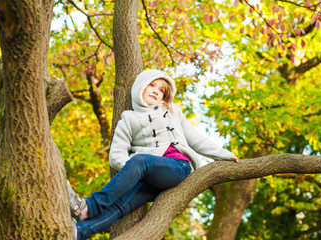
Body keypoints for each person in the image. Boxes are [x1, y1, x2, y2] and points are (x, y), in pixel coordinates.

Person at [68, 69, 238, 239]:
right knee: (122, 205)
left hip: (178, 168)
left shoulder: (173, 111)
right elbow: (116, 156)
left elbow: (195, 139)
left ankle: (89, 206)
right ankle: (81, 231)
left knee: (140, 161)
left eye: (162, 90)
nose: (157, 91)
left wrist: (224, 154)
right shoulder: (129, 119)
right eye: (152, 85)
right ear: (140, 87)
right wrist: (134, 172)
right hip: (150, 179)